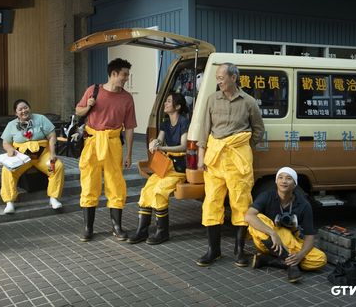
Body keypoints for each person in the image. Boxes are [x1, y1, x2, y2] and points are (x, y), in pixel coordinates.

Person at [196, 62, 265, 267]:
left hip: (238, 159)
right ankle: (213, 250)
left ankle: (239, 251)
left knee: (241, 202)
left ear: (234, 78)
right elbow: (204, 130)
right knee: (212, 202)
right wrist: (201, 156)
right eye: (217, 77)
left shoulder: (249, 102)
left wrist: (243, 148)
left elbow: (258, 130)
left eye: (221, 76)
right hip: (215, 158)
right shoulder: (211, 100)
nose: (218, 80)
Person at [75, 58, 137, 242]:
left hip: (113, 144)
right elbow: (78, 111)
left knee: (116, 184)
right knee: (89, 183)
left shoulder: (127, 98)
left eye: (127, 74)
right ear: (113, 74)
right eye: (124, 74)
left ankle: (117, 227)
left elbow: (130, 127)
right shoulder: (93, 90)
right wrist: (89, 106)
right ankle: (88, 228)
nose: (126, 78)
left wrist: (129, 154)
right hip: (92, 143)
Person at [245, 167, 327, 282]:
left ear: (295, 184)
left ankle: (270, 260)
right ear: (276, 181)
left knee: (320, 259)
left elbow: (310, 236)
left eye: (289, 178)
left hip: (290, 242)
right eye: (280, 177)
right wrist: (272, 233)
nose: (284, 181)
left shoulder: (304, 204)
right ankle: (291, 265)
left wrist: (300, 255)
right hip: (269, 240)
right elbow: (249, 216)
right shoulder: (267, 195)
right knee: (258, 219)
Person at [128, 93, 189, 245]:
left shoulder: (184, 122)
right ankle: (142, 231)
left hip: (178, 168)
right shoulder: (166, 123)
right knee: (146, 190)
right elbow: (159, 139)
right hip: (165, 167)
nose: (165, 104)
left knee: (159, 192)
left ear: (178, 106)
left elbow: (184, 146)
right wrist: (154, 143)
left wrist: (163, 147)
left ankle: (162, 232)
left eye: (169, 101)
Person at [0, 99, 64, 214]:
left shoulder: (41, 119)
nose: (24, 111)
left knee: (56, 166)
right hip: (21, 157)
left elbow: (52, 135)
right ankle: (9, 202)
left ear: (30, 108)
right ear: (16, 113)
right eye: (20, 109)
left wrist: (53, 153)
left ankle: (53, 198)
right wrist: (10, 150)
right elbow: (5, 142)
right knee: (7, 170)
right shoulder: (11, 125)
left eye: (26, 107)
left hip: (42, 155)